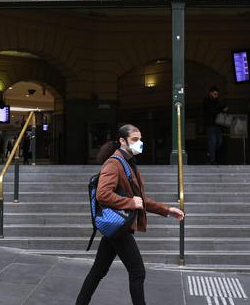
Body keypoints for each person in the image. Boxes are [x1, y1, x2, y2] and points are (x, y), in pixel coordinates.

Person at [76, 124, 185, 305]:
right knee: (137, 271)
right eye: (135, 139)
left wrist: (167, 210)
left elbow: (140, 199)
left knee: (98, 271)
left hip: (117, 226)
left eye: (140, 139)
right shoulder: (114, 163)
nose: (139, 143)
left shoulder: (128, 163)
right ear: (122, 140)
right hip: (119, 225)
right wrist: (129, 203)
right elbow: (103, 194)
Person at [203, 86, 226, 164]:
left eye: (217, 94)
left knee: (219, 142)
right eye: (215, 94)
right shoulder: (206, 101)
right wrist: (221, 109)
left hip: (217, 125)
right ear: (210, 93)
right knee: (213, 141)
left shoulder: (217, 101)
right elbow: (212, 111)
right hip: (209, 125)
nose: (216, 96)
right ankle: (212, 159)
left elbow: (217, 109)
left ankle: (209, 152)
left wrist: (221, 109)